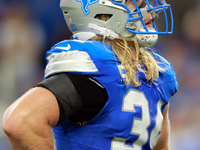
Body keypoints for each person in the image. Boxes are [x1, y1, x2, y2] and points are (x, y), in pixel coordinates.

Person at [3, 0, 178, 150]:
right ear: (103, 13)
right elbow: (21, 121)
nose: (149, 11)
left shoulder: (157, 71)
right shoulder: (93, 65)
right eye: (136, 4)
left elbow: (160, 145)